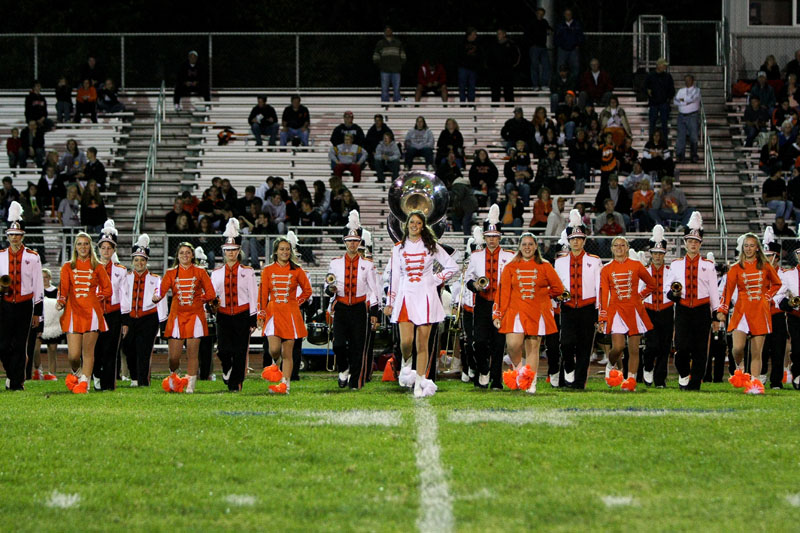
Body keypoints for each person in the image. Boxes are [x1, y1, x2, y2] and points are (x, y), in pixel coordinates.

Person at [386, 210, 457, 397]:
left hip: (425, 297)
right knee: (406, 342)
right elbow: (394, 277)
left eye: (418, 223)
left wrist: (435, 279)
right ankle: (406, 362)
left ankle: (419, 383)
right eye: (412, 222)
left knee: (423, 343)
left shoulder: (431, 246)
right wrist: (390, 302)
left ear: (423, 226)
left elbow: (452, 266)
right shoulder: (398, 248)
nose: (414, 225)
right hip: (405, 296)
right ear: (406, 225)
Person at [495, 233, 565, 394]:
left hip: (537, 311)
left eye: (530, 244)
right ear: (519, 247)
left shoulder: (545, 266)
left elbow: (558, 289)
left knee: (533, 347)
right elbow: (502, 292)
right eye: (524, 244)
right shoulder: (510, 267)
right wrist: (498, 314)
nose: (527, 247)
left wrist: (544, 294)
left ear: (535, 247)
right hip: (515, 311)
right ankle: (520, 371)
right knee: (513, 345)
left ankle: (530, 382)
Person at [718, 233, 782, 395]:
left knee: (756, 351)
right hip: (742, 311)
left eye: (752, 245)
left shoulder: (766, 266)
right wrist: (722, 310)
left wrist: (767, 297)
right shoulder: (736, 268)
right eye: (746, 245)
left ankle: (754, 383)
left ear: (757, 248)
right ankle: (740, 367)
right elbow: (727, 291)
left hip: (760, 311)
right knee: (737, 347)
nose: (748, 248)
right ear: (742, 248)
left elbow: (777, 283)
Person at [663, 213, 721, 390]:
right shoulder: (675, 264)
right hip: (682, 309)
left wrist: (716, 315)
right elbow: (667, 288)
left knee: (700, 349)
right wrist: (673, 294)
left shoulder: (709, 265)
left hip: (702, 309)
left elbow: (713, 291)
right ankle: (683, 374)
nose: (693, 244)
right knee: (681, 347)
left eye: (696, 241)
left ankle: (695, 382)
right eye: (690, 241)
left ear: (700, 243)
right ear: (685, 243)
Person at [327, 213, 382, 390]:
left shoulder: (368, 264)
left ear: (359, 242)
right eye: (349, 241)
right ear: (344, 242)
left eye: (355, 241)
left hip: (359, 308)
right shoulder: (335, 263)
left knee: (358, 347)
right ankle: (343, 369)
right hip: (342, 307)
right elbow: (328, 285)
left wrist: (374, 312)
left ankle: (355, 383)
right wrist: (331, 290)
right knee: (338, 345)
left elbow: (374, 290)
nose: (352, 244)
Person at [153, 243, 216, 394]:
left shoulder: (200, 272)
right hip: (176, 316)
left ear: (192, 255)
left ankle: (190, 385)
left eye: (188, 253)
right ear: (177, 255)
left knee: (192, 353)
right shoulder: (171, 273)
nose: (185, 255)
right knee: (173, 357)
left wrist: (201, 299)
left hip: (195, 316)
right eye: (182, 253)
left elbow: (211, 293)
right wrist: (157, 296)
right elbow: (161, 290)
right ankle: (175, 375)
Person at [463, 206, 515, 389]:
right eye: (489, 236)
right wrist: (475, 286)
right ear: (484, 237)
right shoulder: (476, 256)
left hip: (501, 304)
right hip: (483, 303)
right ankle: (482, 371)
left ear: (499, 236)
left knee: (499, 343)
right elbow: (468, 278)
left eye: (495, 236)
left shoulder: (509, 256)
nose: (492, 239)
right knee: (481, 341)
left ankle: (496, 379)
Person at [598, 237, 657, 392]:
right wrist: (602, 317)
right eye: (616, 245)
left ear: (627, 247)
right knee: (618, 347)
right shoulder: (606, 269)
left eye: (622, 245)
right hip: (616, 310)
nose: (619, 248)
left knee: (634, 349)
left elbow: (652, 284)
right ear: (611, 248)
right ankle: (611, 364)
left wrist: (640, 296)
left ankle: (630, 380)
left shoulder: (636, 265)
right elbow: (604, 294)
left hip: (634, 310)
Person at [57, 231, 112, 394]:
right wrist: (61, 301)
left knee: (88, 352)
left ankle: (85, 383)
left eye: (86, 243)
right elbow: (63, 288)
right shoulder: (67, 266)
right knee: (73, 356)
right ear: (75, 247)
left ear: (90, 247)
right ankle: (78, 373)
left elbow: (108, 289)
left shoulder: (98, 266)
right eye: (79, 244)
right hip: (73, 311)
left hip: (92, 313)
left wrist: (97, 296)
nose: (83, 247)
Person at [554, 209, 603, 388]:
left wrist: (600, 310)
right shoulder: (559, 262)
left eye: (579, 239)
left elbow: (600, 287)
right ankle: (569, 368)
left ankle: (579, 382)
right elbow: (555, 285)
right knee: (566, 343)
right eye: (573, 239)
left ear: (584, 240)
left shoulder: (595, 260)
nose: (576, 242)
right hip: (567, 307)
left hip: (587, 308)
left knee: (584, 346)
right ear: (569, 241)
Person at [257, 237, 313, 394]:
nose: (285, 252)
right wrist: (261, 314)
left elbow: (308, 290)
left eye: (287, 249)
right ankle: (276, 362)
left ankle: (285, 385)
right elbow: (262, 294)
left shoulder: (297, 270)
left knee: (288, 352)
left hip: (290, 313)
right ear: (276, 252)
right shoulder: (267, 270)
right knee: (274, 349)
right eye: (281, 249)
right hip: (273, 312)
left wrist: (296, 302)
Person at [209, 219, 258, 392]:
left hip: (242, 315)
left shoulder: (248, 271)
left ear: (239, 251)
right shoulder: (216, 273)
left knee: (239, 351)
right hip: (223, 315)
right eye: (228, 250)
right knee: (223, 349)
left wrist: (253, 318)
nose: (231, 253)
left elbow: (253, 295)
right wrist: (211, 305)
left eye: (234, 250)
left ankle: (235, 384)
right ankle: (226, 368)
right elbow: (211, 295)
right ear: (224, 251)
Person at [0, 202, 44, 391]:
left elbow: (38, 286)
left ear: (22, 236)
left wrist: (38, 313)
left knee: (20, 346)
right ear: (7, 236)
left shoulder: (33, 256)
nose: (14, 238)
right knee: (2, 345)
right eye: (11, 235)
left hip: (25, 305)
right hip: (4, 305)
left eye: (17, 235)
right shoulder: (0, 256)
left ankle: (17, 383)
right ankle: (12, 375)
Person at [120, 234, 167, 388]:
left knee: (144, 351)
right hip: (130, 318)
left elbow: (160, 296)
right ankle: (134, 377)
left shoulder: (155, 278)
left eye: (142, 260)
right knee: (128, 349)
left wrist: (162, 320)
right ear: (132, 261)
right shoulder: (125, 278)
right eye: (136, 260)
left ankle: (143, 382)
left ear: (147, 261)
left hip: (148, 319)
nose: (139, 263)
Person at [93, 220, 127, 391]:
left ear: (114, 250)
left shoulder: (121, 270)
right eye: (103, 247)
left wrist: (125, 320)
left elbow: (124, 296)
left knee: (111, 349)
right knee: (96, 348)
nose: (106, 251)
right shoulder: (91, 267)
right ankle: (95, 375)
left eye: (109, 248)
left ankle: (108, 384)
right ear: (98, 249)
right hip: (95, 313)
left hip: (113, 314)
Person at [640, 226, 674, 387]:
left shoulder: (671, 271)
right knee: (652, 345)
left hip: (666, 311)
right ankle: (647, 367)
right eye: (655, 253)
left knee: (665, 347)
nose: (658, 256)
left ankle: (660, 379)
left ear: (664, 254)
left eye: (660, 253)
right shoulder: (644, 271)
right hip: (649, 311)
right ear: (651, 254)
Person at [761, 228, 786, 389]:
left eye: (770, 256)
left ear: (776, 257)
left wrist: (770, 299)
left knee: (778, 348)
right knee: (761, 348)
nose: (768, 259)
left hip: (776, 315)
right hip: (761, 315)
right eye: (766, 255)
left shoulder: (784, 274)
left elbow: (783, 291)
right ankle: (760, 376)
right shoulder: (758, 272)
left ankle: (776, 381)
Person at [775, 245, 800, 390]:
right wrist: (786, 303)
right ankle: (797, 374)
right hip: (795, 315)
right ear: (796, 255)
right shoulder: (788, 274)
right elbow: (779, 293)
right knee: (797, 348)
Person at [644, 58, 675, 141]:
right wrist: (648, 92)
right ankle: (651, 142)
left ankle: (664, 142)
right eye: (663, 65)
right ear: (658, 65)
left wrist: (668, 98)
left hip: (664, 103)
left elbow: (672, 89)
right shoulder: (650, 76)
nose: (665, 67)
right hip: (653, 103)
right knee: (652, 123)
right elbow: (644, 87)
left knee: (664, 124)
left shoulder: (668, 76)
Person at [373, 26, 406, 102]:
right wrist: (380, 64)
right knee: (384, 88)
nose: (388, 32)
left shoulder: (398, 43)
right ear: (384, 32)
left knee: (397, 88)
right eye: (386, 31)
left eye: (389, 30)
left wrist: (400, 64)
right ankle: (385, 104)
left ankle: (397, 103)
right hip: (385, 69)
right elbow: (376, 55)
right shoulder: (380, 43)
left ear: (392, 32)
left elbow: (403, 55)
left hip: (396, 69)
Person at [487, 28, 520, 102]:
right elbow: (489, 57)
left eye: (500, 33)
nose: (498, 35)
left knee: (508, 90)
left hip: (507, 71)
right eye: (497, 33)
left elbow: (517, 56)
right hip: (496, 72)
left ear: (504, 34)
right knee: (495, 91)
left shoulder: (511, 44)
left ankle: (510, 108)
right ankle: (495, 108)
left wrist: (511, 65)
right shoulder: (493, 45)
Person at [526, 7, 552, 90]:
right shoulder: (531, 22)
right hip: (534, 47)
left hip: (543, 47)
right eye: (539, 13)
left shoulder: (544, 22)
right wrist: (531, 43)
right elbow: (526, 34)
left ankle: (544, 84)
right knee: (534, 66)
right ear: (536, 13)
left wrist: (549, 31)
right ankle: (535, 85)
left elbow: (550, 29)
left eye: (542, 14)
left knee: (546, 66)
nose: (540, 15)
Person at [553, 8, 584, 79]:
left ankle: (573, 83)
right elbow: (556, 36)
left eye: (569, 14)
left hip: (574, 49)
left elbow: (580, 36)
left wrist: (578, 44)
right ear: (564, 15)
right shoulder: (560, 25)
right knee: (560, 67)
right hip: (562, 49)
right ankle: (561, 83)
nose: (568, 15)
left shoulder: (576, 24)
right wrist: (559, 45)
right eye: (566, 14)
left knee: (575, 67)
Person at [457, 27, 482, 102]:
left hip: (473, 69)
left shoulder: (477, 44)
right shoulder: (462, 43)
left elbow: (480, 55)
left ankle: (471, 103)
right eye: (474, 34)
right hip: (463, 68)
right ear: (469, 35)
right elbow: (458, 55)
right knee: (462, 86)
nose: (475, 36)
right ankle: (462, 103)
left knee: (472, 87)